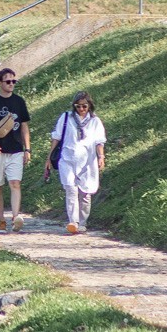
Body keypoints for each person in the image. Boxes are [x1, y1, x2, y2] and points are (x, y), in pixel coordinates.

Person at [44, 91, 106, 235]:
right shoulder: (66, 118)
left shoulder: (95, 121)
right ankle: (73, 221)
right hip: (67, 158)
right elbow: (57, 137)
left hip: (87, 161)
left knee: (85, 192)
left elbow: (99, 141)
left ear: (89, 106)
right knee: (71, 189)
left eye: (84, 106)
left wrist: (101, 156)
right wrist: (49, 157)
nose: (81, 109)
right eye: (78, 106)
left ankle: (83, 222)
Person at [0, 68, 31, 233]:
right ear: (0, 83)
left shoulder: (19, 102)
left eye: (14, 81)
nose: (11, 84)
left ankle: (16, 218)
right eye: (8, 81)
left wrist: (27, 149)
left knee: (15, 183)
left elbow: (24, 127)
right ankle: (1, 221)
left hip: (16, 149)